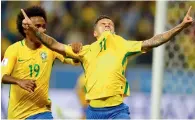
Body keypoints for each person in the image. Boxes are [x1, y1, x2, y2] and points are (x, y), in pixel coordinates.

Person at [21, 6, 194, 119]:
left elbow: (155, 40)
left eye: (110, 24)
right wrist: (35, 30)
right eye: (103, 24)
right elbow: (54, 44)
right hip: (93, 112)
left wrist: (180, 27)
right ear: (95, 33)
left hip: (117, 111)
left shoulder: (124, 44)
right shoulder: (85, 50)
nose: (108, 25)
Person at [1, 6, 81, 119]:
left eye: (44, 26)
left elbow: (74, 61)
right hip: (18, 115)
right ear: (26, 29)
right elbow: (2, 76)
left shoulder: (50, 48)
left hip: (42, 112)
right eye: (37, 26)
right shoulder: (14, 49)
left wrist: (76, 50)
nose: (42, 30)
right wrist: (19, 81)